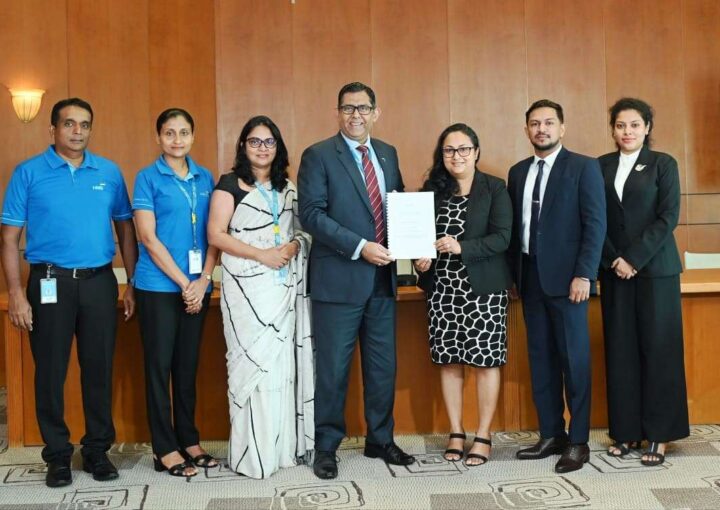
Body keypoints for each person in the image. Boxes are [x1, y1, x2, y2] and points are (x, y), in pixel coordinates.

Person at [0, 98, 138, 487]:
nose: (78, 131)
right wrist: (16, 293)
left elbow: (126, 230)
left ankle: (97, 450)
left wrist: (132, 283)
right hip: (49, 283)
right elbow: (8, 239)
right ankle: (58, 456)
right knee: (50, 372)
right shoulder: (28, 173)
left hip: (99, 282)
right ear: (53, 129)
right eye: (69, 124)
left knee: (99, 368)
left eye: (85, 124)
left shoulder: (109, 172)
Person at [298, 81, 414, 480]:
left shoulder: (387, 153)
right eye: (348, 108)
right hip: (338, 279)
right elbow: (312, 215)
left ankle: (380, 439)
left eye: (363, 108)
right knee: (333, 369)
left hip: (382, 279)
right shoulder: (318, 155)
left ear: (376, 113)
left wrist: (414, 242)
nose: (356, 115)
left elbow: (397, 205)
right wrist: (360, 246)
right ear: (337, 113)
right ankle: (326, 445)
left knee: (383, 367)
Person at [207, 115, 313, 479]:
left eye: (269, 142)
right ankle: (250, 457)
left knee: (279, 368)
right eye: (255, 141)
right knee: (251, 367)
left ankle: (279, 451)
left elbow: (302, 231)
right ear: (243, 146)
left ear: (278, 147)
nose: (262, 148)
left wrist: (294, 245)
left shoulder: (288, 188)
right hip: (245, 290)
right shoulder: (228, 185)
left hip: (282, 289)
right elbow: (216, 235)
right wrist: (261, 255)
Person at [507, 99, 606, 473]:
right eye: (535, 123)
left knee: (574, 362)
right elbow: (515, 230)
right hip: (529, 280)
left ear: (562, 128)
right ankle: (551, 433)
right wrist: (513, 276)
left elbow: (595, 224)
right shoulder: (518, 172)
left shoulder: (584, 167)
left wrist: (585, 274)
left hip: (569, 282)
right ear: (526, 129)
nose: (542, 129)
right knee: (541, 360)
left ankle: (578, 442)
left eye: (549, 122)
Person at [415, 123, 513, 466]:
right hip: (443, 289)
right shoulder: (431, 192)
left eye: (463, 149)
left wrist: (462, 247)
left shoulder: (494, 188)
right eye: (449, 150)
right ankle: (456, 432)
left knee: (485, 362)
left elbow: (503, 237)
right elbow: (420, 239)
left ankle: (483, 434)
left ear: (476, 152)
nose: (456, 156)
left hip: (483, 291)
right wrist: (421, 258)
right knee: (449, 362)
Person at [598, 97, 688, 466]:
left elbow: (668, 216)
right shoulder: (600, 166)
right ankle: (626, 432)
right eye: (620, 125)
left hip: (656, 271)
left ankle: (659, 435)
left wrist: (633, 259)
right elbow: (594, 218)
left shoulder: (663, 164)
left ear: (647, 127)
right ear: (612, 129)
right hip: (613, 271)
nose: (627, 131)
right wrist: (613, 259)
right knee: (621, 352)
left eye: (635, 124)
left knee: (659, 350)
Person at [132, 108, 218, 478]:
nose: (177, 140)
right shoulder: (147, 178)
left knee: (187, 367)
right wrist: (186, 284)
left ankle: (189, 439)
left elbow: (215, 233)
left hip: (198, 288)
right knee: (159, 368)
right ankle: (164, 448)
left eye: (184, 132)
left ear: (193, 136)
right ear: (159, 137)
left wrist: (203, 280)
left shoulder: (206, 177)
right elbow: (148, 238)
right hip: (158, 287)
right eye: (169, 133)